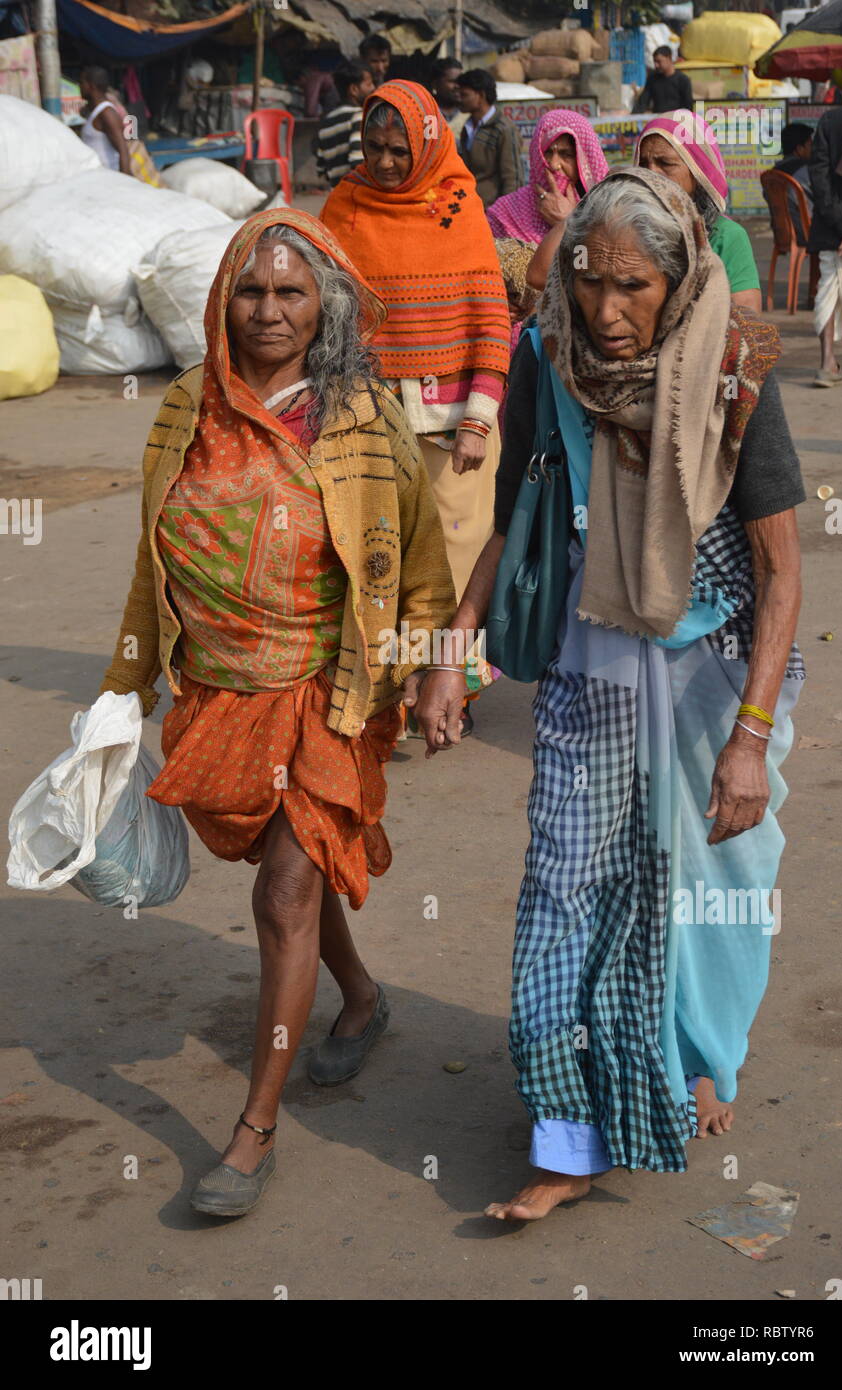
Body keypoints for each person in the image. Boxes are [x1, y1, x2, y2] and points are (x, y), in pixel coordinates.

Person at [412, 168, 805, 1222]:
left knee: (711, 881)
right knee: (565, 897)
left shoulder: (737, 362)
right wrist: (450, 651)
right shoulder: (548, 353)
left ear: (678, 278)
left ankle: (699, 1057)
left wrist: (750, 740)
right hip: (590, 671)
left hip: (713, 671)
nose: (608, 311)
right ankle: (570, 1134)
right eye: (588, 284)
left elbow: (781, 573)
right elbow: (513, 513)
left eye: (634, 286)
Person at [99, 208, 456, 1217]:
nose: (267, 311)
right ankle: (365, 998)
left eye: (290, 293)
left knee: (284, 894)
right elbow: (150, 562)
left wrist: (435, 669)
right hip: (215, 687)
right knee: (280, 867)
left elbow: (420, 559)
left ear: (324, 307)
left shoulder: (361, 417)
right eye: (250, 292)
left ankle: (255, 1127)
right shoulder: (183, 410)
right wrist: (122, 688)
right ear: (223, 299)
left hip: (328, 690)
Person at [322, 81, 510, 612]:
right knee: (378, 551)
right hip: (366, 418)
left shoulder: (457, 206)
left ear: (426, 145)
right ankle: (389, 678)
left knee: (455, 550)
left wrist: (477, 421)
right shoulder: (346, 205)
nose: (383, 162)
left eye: (398, 151)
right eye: (373, 147)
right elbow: (325, 311)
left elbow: (491, 320)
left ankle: (450, 683)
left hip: (452, 429)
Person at [635, 110, 762, 311]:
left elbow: (747, 323)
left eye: (665, 163)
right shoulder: (628, 232)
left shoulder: (726, 237)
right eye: (643, 164)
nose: (651, 174)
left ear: (698, 173)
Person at [487, 110, 609, 294]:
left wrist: (571, 222)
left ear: (584, 157)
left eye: (566, 154)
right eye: (547, 153)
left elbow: (599, 276)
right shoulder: (505, 211)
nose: (554, 164)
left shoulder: (606, 210)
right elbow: (486, 273)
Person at [808, 58, 842, 387]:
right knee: (828, 290)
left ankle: (827, 363)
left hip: (834, 228)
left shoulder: (829, 121)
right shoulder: (833, 123)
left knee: (827, 291)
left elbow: (820, 182)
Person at [457, 68, 523, 207]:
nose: (459, 99)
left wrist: (506, 213)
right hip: (471, 205)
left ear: (481, 95)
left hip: (492, 209)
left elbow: (512, 178)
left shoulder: (503, 129)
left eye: (464, 95)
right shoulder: (468, 128)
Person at [315, 61, 375, 187]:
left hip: (336, 195)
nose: (373, 88)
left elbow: (322, 168)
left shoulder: (326, 122)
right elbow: (358, 164)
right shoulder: (358, 116)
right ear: (354, 89)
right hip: (355, 194)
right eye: (369, 84)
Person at [78, 66, 132, 175]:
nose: (79, 86)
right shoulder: (95, 111)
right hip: (98, 179)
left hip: (109, 178)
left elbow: (123, 151)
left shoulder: (107, 113)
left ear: (91, 86)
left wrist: (125, 185)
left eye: (82, 83)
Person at [772, 121, 814, 246]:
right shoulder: (805, 171)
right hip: (805, 233)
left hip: (781, 233)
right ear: (799, 149)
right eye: (810, 145)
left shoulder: (772, 174)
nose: (813, 150)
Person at [633, 44, 693, 114]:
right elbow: (643, 102)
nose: (656, 65)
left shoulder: (683, 80)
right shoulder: (652, 79)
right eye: (654, 62)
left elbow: (688, 106)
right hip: (658, 120)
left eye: (659, 61)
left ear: (669, 58)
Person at [430, 56, 466, 138]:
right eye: (452, 81)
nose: (457, 86)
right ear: (435, 84)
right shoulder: (426, 112)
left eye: (460, 81)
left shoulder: (468, 114)